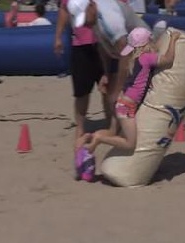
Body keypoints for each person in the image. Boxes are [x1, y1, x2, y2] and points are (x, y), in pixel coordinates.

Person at [67, 0, 156, 143]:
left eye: (83, 19)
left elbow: (125, 52)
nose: (84, 24)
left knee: (123, 96)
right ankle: (115, 130)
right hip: (129, 50)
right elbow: (103, 48)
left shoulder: (109, 18)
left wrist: (118, 89)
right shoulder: (95, 16)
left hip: (143, 49)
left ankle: (133, 136)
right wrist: (106, 74)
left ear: (90, 6)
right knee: (114, 95)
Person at [83, 27, 181, 152]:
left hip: (122, 102)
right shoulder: (146, 58)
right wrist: (173, 39)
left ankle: (90, 137)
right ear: (147, 43)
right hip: (127, 106)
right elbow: (168, 60)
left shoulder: (133, 60)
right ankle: (98, 139)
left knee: (113, 131)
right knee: (130, 143)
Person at [54, 0, 104, 150]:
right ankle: (80, 128)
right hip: (81, 45)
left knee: (108, 89)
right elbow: (64, 9)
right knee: (82, 91)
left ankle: (111, 125)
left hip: (104, 44)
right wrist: (58, 37)